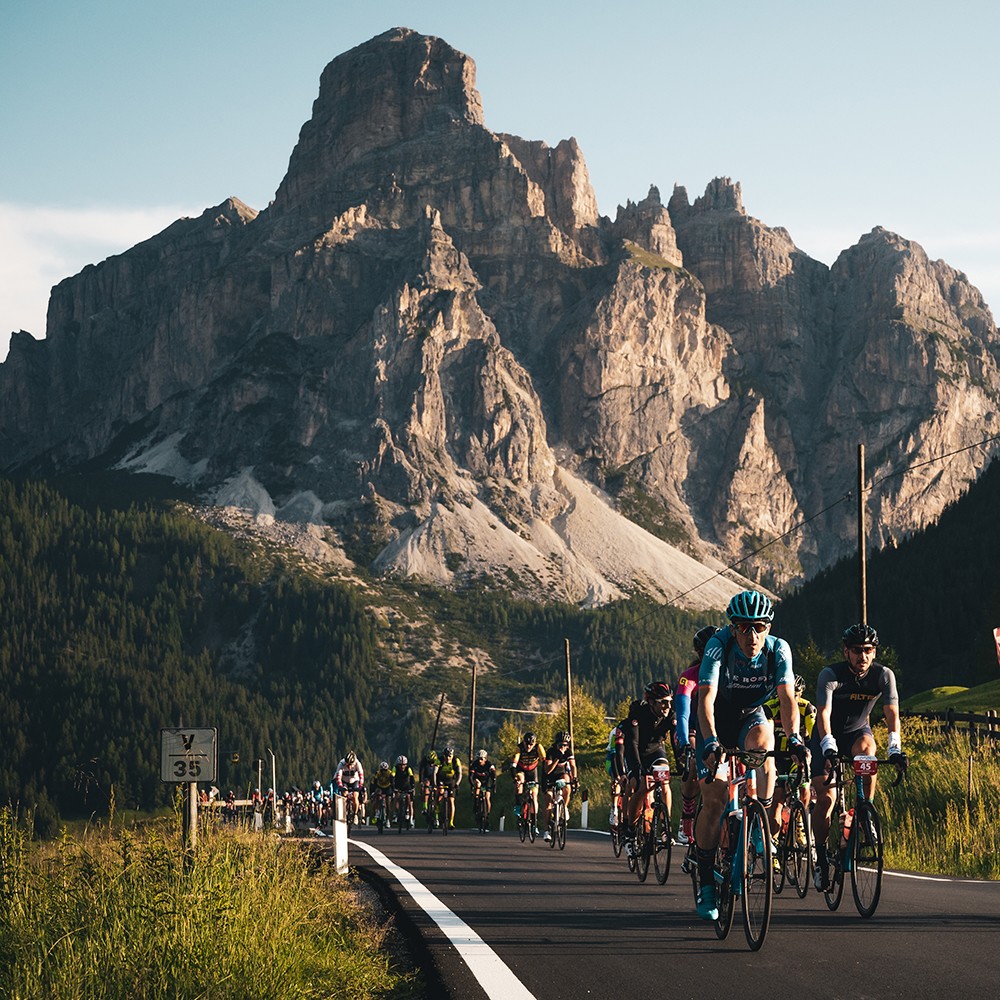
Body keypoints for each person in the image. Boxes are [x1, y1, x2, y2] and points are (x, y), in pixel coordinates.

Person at [694, 590, 804, 921]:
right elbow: (705, 698)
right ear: (733, 628)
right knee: (714, 801)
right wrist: (710, 742)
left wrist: (795, 738)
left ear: (768, 627)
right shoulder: (719, 645)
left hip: (749, 717)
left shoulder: (778, 649)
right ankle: (706, 883)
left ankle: (760, 825)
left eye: (759, 627)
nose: (751, 635)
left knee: (764, 744)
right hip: (716, 720)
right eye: (743, 627)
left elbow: (787, 699)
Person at [810, 623, 907, 891]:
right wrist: (828, 746)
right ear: (846, 652)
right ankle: (820, 857)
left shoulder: (883, 675)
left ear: (874, 652)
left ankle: (864, 811)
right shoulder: (831, 674)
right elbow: (823, 714)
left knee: (868, 751)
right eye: (856, 650)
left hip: (856, 733)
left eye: (867, 650)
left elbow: (891, 713)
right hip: (825, 736)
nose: (862, 655)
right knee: (826, 799)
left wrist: (895, 748)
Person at [763, 673, 816, 863]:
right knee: (777, 800)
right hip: (776, 756)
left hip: (797, 756)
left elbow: (813, 735)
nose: (792, 698)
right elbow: (766, 734)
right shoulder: (770, 707)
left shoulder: (806, 708)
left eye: (796, 694)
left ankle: (800, 821)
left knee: (805, 788)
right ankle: (773, 848)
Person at [673, 626, 717, 844]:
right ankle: (687, 815)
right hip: (691, 729)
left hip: (718, 730)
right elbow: (682, 713)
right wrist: (684, 742)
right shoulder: (689, 677)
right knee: (692, 764)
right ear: (700, 653)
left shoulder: (730, 672)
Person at [624, 681, 675, 857]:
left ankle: (665, 827)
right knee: (640, 787)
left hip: (656, 751)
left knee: (665, 783)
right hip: (636, 752)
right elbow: (632, 743)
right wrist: (637, 770)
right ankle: (630, 832)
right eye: (663, 702)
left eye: (670, 702)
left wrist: (681, 764)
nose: (668, 706)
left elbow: (675, 742)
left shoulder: (670, 715)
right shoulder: (638, 714)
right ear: (651, 702)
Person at [542, 731, 577, 841]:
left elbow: (573, 766)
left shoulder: (568, 751)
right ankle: (546, 830)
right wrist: (557, 757)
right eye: (560, 744)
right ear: (556, 744)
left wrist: (575, 778)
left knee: (567, 782)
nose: (563, 747)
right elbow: (548, 770)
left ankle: (564, 807)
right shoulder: (551, 752)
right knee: (548, 800)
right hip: (549, 777)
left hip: (561, 775)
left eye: (565, 745)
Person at [511, 731, 545, 835]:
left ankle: (534, 823)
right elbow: (513, 764)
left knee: (534, 796)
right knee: (519, 781)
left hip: (533, 771)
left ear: (535, 743)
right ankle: (518, 805)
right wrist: (515, 778)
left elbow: (545, 762)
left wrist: (545, 777)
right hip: (521, 769)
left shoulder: (538, 747)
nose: (529, 747)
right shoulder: (519, 748)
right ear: (524, 742)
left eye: (531, 744)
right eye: (527, 744)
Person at [605, 719, 628, 835]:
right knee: (616, 778)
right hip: (613, 758)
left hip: (628, 757)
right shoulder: (616, 732)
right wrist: (618, 776)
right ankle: (614, 809)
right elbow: (615, 756)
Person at [434, 746, 463, 828]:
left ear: (452, 755)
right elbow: (434, 773)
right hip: (441, 779)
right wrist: (435, 784)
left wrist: (457, 783)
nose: (448, 758)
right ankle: (436, 815)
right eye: (446, 756)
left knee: (451, 801)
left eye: (450, 756)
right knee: (439, 794)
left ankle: (451, 822)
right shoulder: (439, 760)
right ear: (444, 756)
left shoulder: (456, 760)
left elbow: (459, 773)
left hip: (451, 781)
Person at [335, 750, 365, 823]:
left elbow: (361, 775)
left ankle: (355, 814)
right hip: (344, 781)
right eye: (347, 764)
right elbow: (338, 777)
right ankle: (344, 812)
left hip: (354, 781)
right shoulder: (341, 764)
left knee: (355, 796)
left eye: (351, 764)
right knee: (344, 795)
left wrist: (360, 786)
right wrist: (340, 786)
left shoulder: (357, 763)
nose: (349, 766)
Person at [469, 749, 497, 828]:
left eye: (481, 759)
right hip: (477, 780)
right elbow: (470, 777)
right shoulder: (474, 764)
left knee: (487, 798)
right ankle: (476, 804)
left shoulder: (489, 764)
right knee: (478, 786)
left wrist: (494, 784)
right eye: (478, 759)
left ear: (485, 759)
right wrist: (472, 785)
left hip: (486, 781)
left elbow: (494, 776)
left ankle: (487, 814)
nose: (480, 761)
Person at [391, 754, 416, 828]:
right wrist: (393, 786)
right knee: (396, 797)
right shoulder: (395, 768)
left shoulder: (408, 769)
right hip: (398, 785)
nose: (402, 766)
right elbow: (392, 777)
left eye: (404, 765)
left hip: (407, 786)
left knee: (409, 800)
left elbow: (412, 778)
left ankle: (411, 818)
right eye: (401, 765)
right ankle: (395, 815)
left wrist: (413, 787)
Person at [418, 749, 439, 821]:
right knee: (426, 786)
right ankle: (425, 807)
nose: (431, 764)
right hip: (427, 776)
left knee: (438, 796)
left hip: (436, 777)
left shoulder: (438, 761)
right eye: (430, 762)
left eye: (433, 762)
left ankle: (437, 816)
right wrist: (421, 782)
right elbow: (421, 772)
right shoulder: (424, 761)